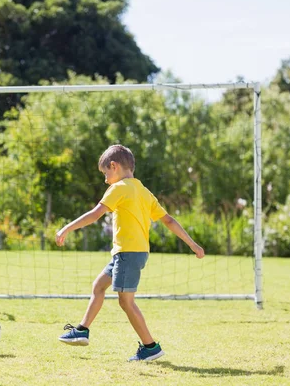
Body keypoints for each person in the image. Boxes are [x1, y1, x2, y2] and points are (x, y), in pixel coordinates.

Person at [55, 144, 205, 361]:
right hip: (128, 253)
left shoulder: (118, 188)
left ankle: (150, 347)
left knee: (126, 302)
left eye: (106, 173)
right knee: (99, 286)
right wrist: (193, 244)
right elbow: (169, 220)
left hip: (128, 253)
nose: (105, 179)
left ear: (114, 166)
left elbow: (95, 214)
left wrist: (66, 228)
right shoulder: (144, 191)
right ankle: (82, 330)